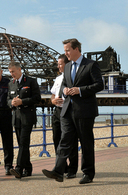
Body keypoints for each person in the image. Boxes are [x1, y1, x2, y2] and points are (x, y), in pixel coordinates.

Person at [42, 38, 103, 184]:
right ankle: (58, 171)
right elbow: (63, 85)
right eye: (65, 51)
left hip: (85, 111)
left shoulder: (91, 65)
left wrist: (79, 90)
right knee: (65, 141)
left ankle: (88, 173)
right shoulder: (68, 67)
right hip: (67, 110)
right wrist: (65, 90)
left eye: (68, 50)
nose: (66, 53)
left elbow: (99, 85)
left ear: (76, 49)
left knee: (86, 142)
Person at [7, 61, 41, 179]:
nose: (12, 74)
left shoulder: (31, 81)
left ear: (19, 70)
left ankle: (19, 168)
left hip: (27, 117)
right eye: (10, 72)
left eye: (13, 72)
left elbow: (37, 98)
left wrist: (23, 101)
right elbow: (7, 99)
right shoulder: (11, 84)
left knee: (23, 142)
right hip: (16, 118)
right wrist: (11, 103)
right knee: (22, 144)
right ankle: (28, 168)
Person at [50, 54, 79, 179]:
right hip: (57, 111)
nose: (58, 66)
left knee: (70, 141)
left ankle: (72, 169)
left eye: (60, 64)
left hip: (68, 111)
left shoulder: (72, 77)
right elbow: (52, 95)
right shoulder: (57, 78)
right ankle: (62, 167)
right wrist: (53, 101)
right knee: (57, 139)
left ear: (67, 64)